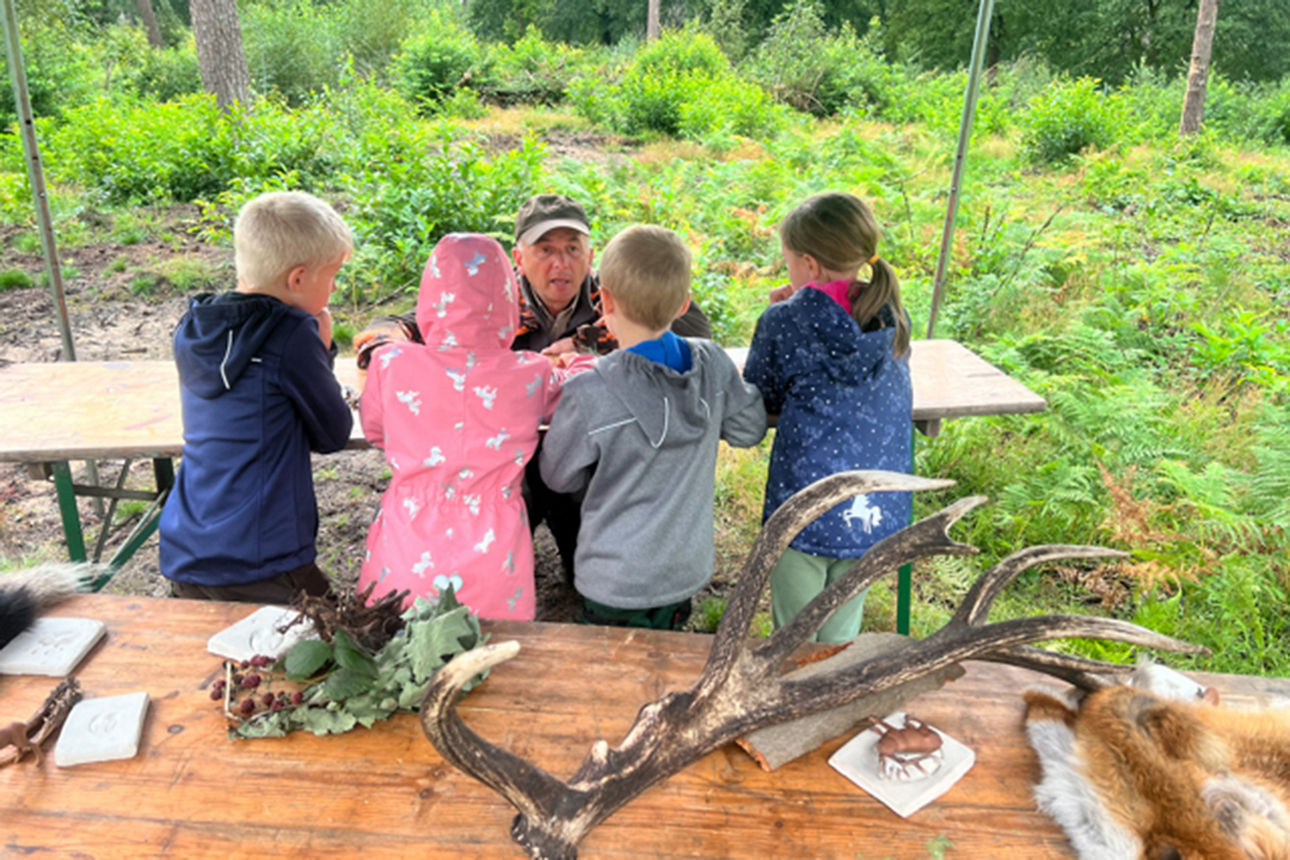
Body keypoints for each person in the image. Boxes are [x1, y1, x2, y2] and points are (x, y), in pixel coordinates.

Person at [352, 195, 713, 582]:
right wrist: (394, 359)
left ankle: (584, 572)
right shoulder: (486, 301)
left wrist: (588, 341)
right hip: (505, 458)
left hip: (582, 448)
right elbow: (388, 327)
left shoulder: (613, 296)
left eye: (573, 249)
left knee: (581, 507)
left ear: (590, 257)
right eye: (546, 250)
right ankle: (487, 574)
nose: (562, 263)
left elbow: (691, 327)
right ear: (518, 258)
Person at [540, 225, 767, 629]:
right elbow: (749, 430)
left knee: (612, 676)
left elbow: (557, 476)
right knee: (667, 662)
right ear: (683, 304)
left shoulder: (588, 390)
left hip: (613, 578)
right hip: (684, 572)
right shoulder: (713, 364)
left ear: (604, 299)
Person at [356, 234, 593, 619]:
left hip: (408, 535)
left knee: (395, 649)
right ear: (507, 300)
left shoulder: (392, 363)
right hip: (493, 544)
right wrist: (575, 360)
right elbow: (579, 391)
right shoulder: (530, 372)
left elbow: (375, 430)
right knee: (493, 653)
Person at [160, 191, 354, 603]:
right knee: (335, 649)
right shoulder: (290, 335)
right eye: (333, 274)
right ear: (298, 278)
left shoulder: (194, 327)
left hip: (188, 545)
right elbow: (334, 433)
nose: (335, 287)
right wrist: (322, 346)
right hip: (263, 555)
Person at [743, 192, 913, 643]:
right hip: (876, 507)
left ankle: (793, 707)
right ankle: (835, 704)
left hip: (804, 508)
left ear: (809, 265)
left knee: (793, 642)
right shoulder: (893, 313)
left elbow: (761, 391)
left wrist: (781, 310)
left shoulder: (784, 321)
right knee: (839, 638)